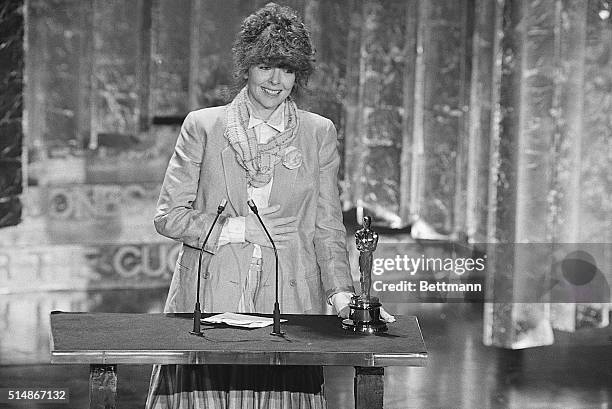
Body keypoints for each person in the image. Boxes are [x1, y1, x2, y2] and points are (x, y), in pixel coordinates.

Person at [144, 3, 366, 408]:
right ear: (247, 66)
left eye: (287, 69)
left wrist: (340, 295)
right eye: (266, 66)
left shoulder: (318, 133)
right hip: (210, 300)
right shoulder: (204, 126)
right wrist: (237, 229)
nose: (276, 80)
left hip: (289, 301)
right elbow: (167, 216)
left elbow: (328, 228)